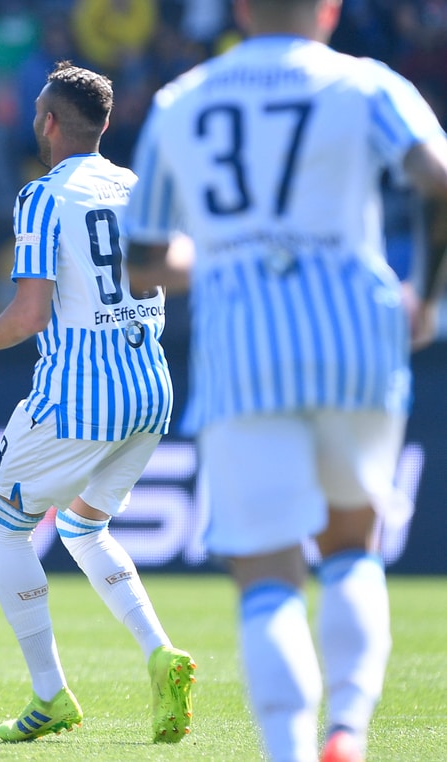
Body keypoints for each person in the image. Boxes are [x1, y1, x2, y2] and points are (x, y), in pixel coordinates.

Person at [123, 2, 447, 760]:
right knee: (352, 543)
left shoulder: (183, 99)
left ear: (240, 9)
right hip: (357, 337)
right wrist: (428, 297)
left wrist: (224, 253)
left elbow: (143, 261)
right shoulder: (365, 83)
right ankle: (348, 730)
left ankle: (289, 749)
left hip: (244, 349)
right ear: (329, 8)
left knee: (267, 571)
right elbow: (439, 180)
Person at [0, 60, 196, 745]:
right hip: (150, 390)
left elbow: (29, 317)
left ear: (49, 122)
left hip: (80, 395)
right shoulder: (139, 188)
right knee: (84, 527)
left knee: (3, 524)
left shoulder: (42, 196)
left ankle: (50, 694)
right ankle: (160, 652)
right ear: (107, 123)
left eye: (39, 113)